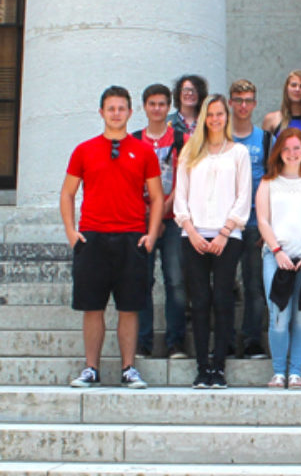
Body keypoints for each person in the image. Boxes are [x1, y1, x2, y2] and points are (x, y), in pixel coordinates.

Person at [60, 85, 163, 389]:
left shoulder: (143, 150)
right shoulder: (84, 150)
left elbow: (156, 197)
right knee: (92, 307)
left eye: (121, 108)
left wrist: (152, 234)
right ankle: (91, 368)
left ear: (131, 113)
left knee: (129, 307)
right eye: (111, 108)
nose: (116, 114)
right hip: (92, 237)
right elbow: (67, 193)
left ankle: (128, 368)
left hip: (131, 237)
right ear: (102, 112)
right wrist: (70, 231)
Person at [174, 95, 251, 390]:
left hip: (227, 236)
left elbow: (243, 195)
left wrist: (224, 231)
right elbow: (181, 195)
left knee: (222, 299)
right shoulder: (190, 152)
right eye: (211, 114)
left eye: (220, 114)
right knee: (200, 302)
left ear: (226, 117)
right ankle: (201, 368)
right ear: (204, 118)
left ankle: (219, 367)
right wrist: (191, 230)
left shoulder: (239, 153)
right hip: (192, 235)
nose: (216, 119)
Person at [256, 129, 301, 390]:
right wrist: (277, 251)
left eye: (297, 148)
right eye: (286, 149)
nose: (292, 153)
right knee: (278, 315)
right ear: (279, 152)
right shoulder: (268, 183)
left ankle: (295, 372)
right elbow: (263, 220)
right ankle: (278, 372)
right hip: (277, 258)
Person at [132, 83, 188, 360]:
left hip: (174, 219)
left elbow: (187, 177)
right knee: (141, 281)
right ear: (144, 107)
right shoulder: (133, 141)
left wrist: (164, 206)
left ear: (169, 108)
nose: (157, 109)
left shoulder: (181, 140)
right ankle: (143, 342)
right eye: (152, 104)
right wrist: (149, 212)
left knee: (176, 281)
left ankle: (175, 341)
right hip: (140, 220)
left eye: (162, 104)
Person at [229, 79, 270, 359]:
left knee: (255, 285)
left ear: (255, 104)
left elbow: (275, 181)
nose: (243, 105)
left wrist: (270, 225)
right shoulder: (220, 137)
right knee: (226, 285)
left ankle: (253, 339)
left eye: (248, 100)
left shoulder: (265, 139)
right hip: (226, 225)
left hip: (256, 224)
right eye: (238, 99)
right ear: (231, 102)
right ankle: (228, 340)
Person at [262, 70, 301, 142]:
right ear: (286, 88)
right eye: (293, 85)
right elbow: (264, 151)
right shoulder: (272, 120)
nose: (297, 89)